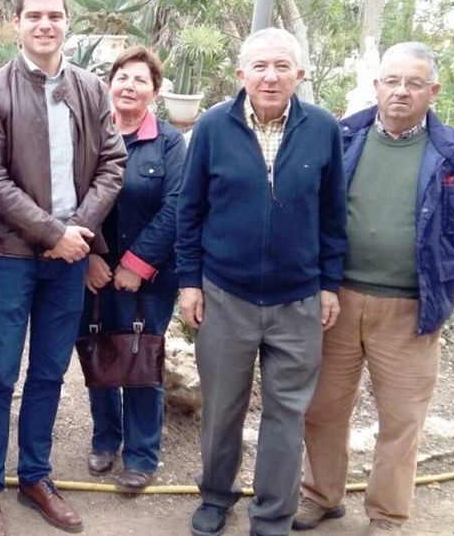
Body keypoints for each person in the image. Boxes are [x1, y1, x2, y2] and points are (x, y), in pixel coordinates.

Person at [295, 42, 454, 535]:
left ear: (433, 91)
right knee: (322, 409)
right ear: (377, 85)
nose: (401, 91)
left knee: (401, 419)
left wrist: (436, 275)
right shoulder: (342, 137)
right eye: (392, 81)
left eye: (414, 83)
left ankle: (386, 515)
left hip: (410, 309)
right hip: (338, 301)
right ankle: (321, 495)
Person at [0, 0, 126, 536]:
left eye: (55, 16)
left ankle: (35, 476)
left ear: (67, 24)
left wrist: (76, 233)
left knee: (51, 372)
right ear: (17, 24)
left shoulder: (90, 89)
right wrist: (52, 232)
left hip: (71, 257)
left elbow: (112, 163)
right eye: (33, 16)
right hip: (11, 254)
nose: (44, 25)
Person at [176, 27, 347, 536]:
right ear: (241, 74)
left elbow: (334, 214)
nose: (270, 76)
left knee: (286, 415)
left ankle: (272, 515)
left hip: (298, 300)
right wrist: (190, 282)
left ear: (300, 74)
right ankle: (215, 496)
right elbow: (190, 211)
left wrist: (329, 283)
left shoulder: (323, 129)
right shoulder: (211, 127)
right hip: (226, 295)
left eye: (281, 67)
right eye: (260, 66)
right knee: (222, 409)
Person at [79, 46, 185, 492]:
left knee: (142, 358)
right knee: (98, 352)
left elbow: (178, 206)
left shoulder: (169, 141)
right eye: (122, 77)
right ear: (109, 85)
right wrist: (89, 256)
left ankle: (142, 454)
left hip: (151, 276)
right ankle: (106, 439)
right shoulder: (90, 135)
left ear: (155, 93)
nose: (129, 86)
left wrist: (136, 264)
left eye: (141, 80)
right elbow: (70, 197)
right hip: (90, 269)